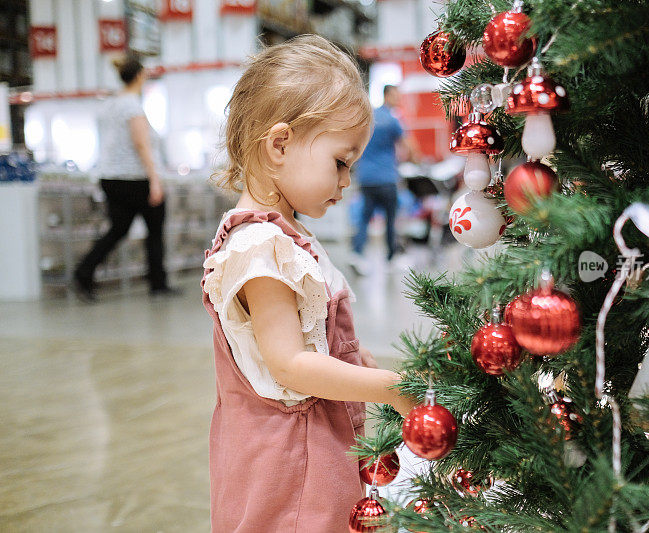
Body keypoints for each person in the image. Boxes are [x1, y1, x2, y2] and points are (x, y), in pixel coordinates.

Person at [201, 35, 417, 532]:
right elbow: (291, 364)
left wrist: (357, 360)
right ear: (279, 144)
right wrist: (388, 388)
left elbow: (315, 338)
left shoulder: (287, 237)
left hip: (314, 447)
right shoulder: (259, 247)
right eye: (340, 162)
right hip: (289, 463)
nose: (347, 182)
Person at [73, 55, 178, 302]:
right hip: (135, 178)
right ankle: (157, 283)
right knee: (154, 229)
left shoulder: (109, 104)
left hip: (110, 177)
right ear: (140, 76)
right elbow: (141, 144)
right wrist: (154, 180)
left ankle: (83, 272)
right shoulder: (132, 105)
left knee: (118, 229)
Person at [349, 84, 420, 275]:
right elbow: (409, 146)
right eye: (396, 95)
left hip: (366, 177)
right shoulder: (392, 119)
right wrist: (416, 161)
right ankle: (392, 257)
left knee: (364, 217)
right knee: (391, 218)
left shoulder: (368, 118)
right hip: (386, 177)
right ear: (387, 95)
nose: (398, 99)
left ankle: (357, 255)